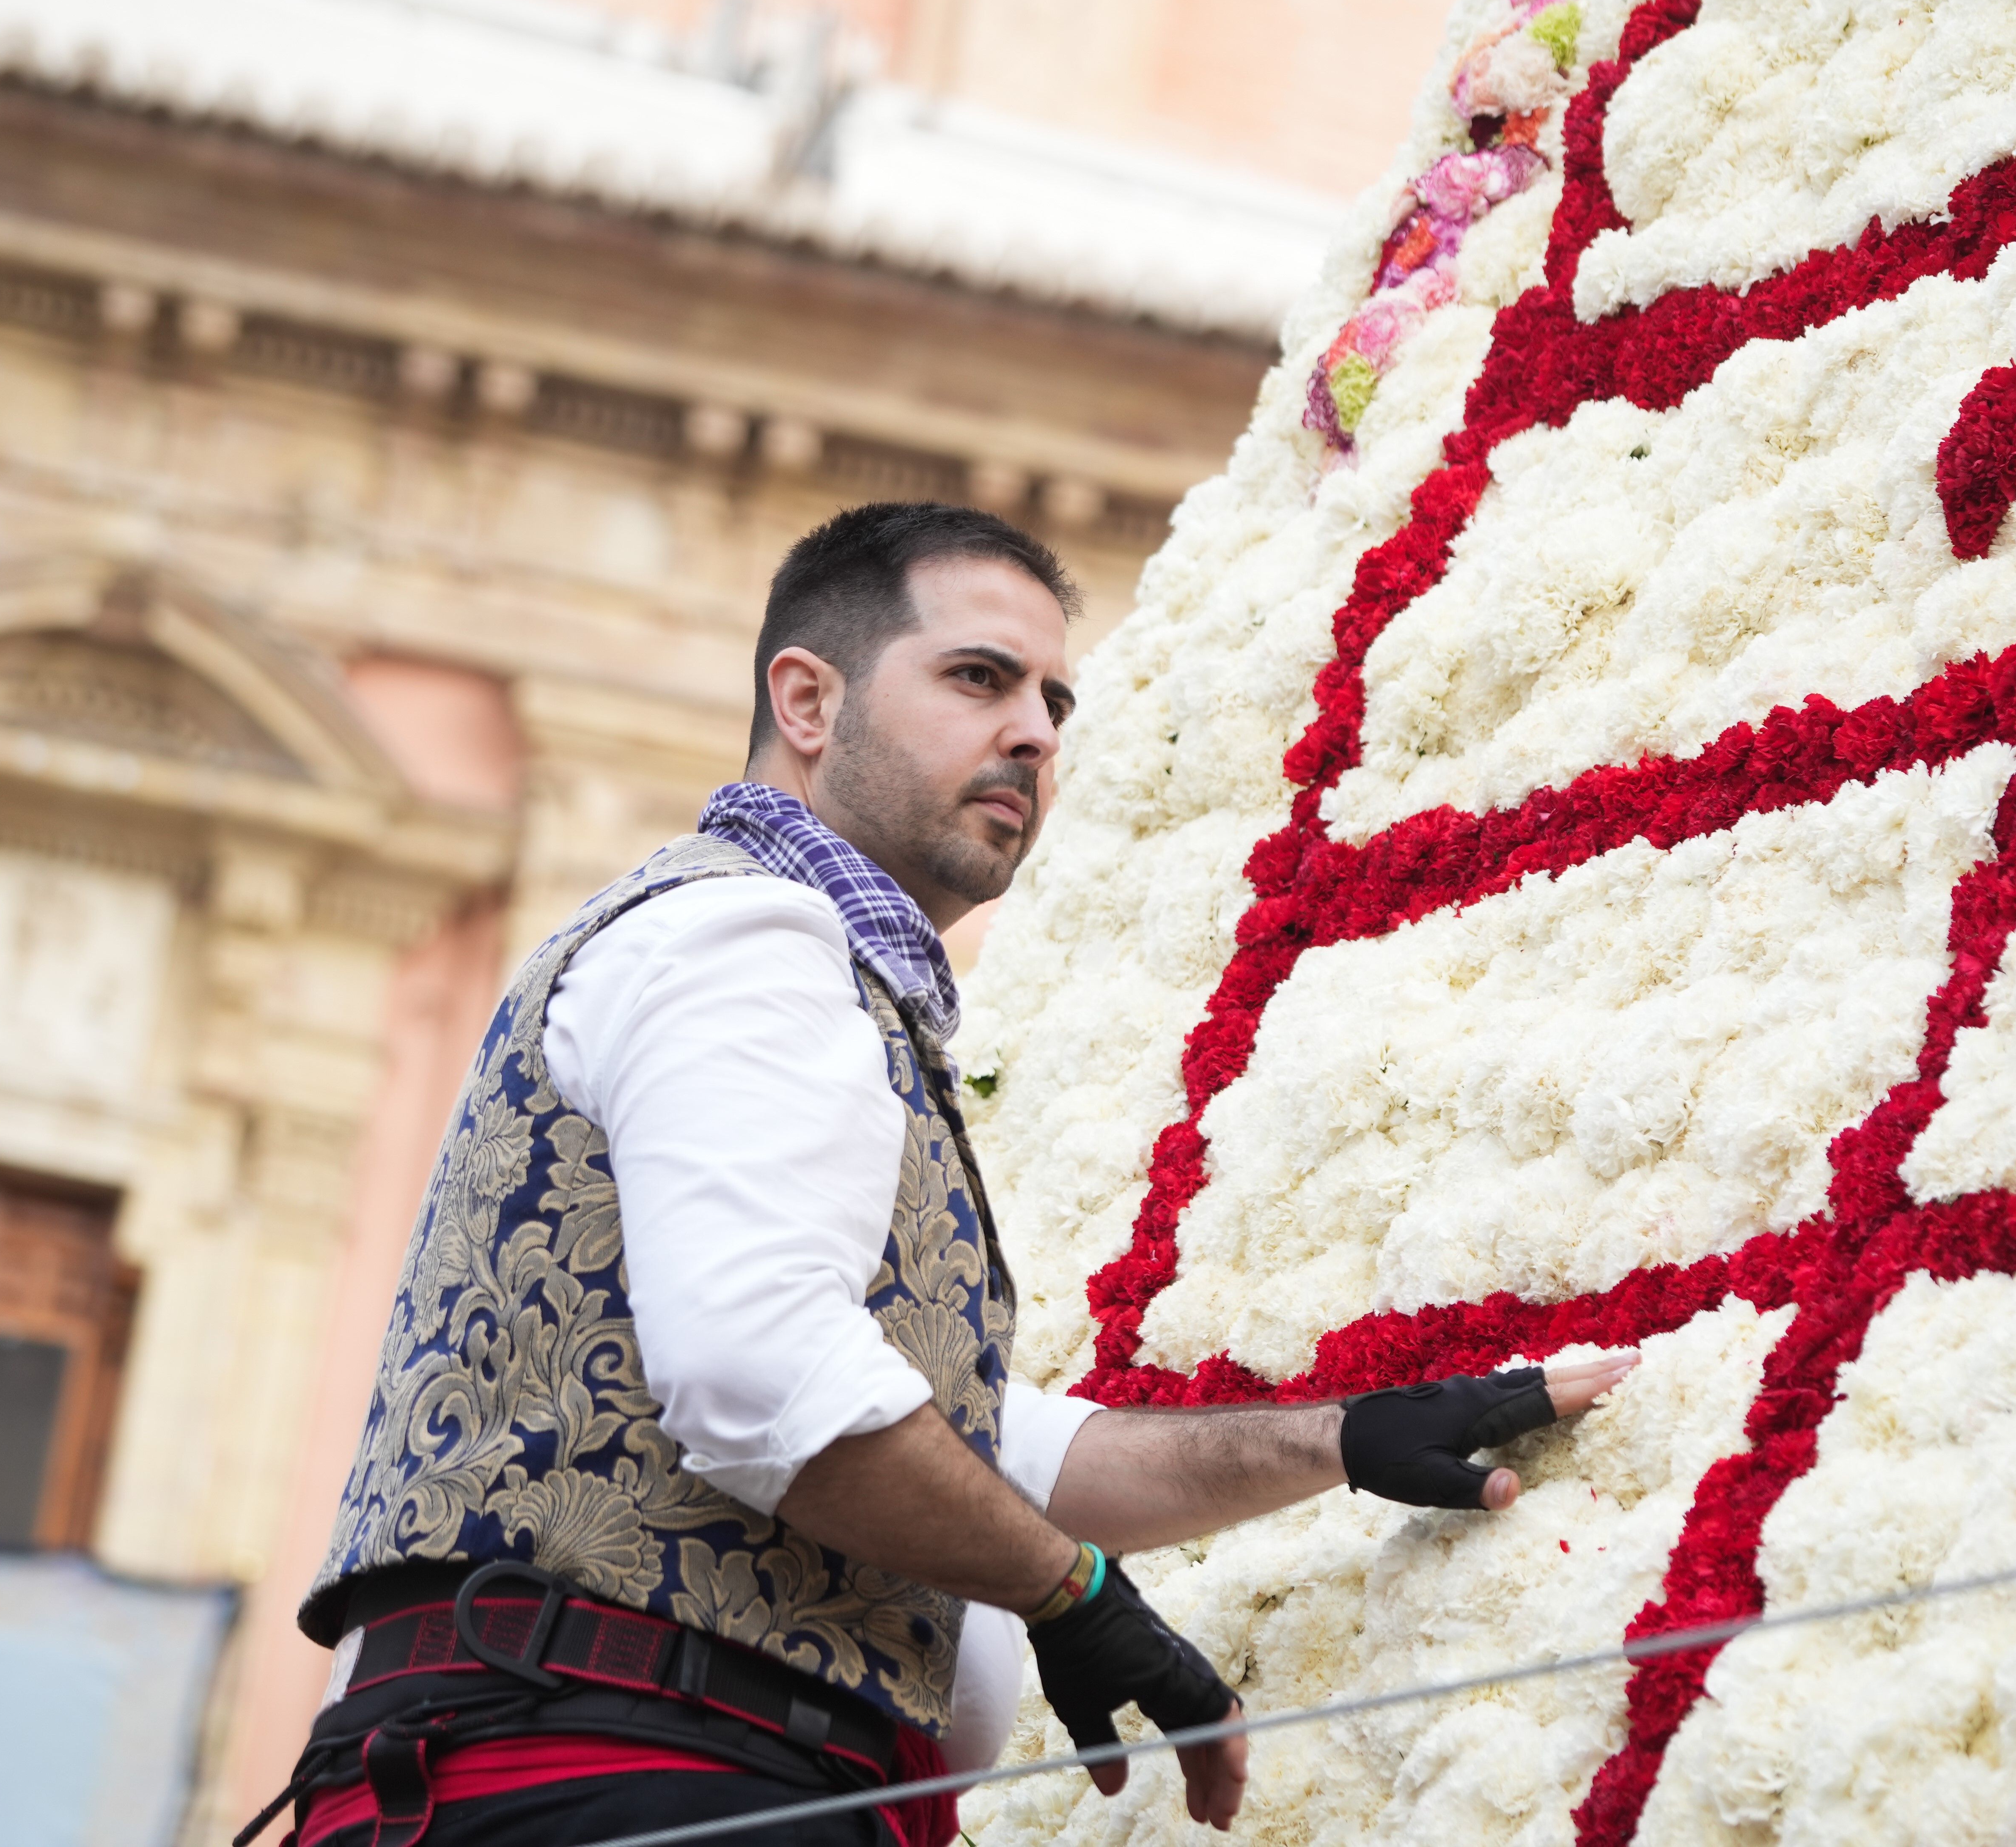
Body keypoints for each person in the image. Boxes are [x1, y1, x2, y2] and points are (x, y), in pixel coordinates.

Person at [246, 503, 1638, 1847]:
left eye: (1052, 704)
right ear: (807, 701)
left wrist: (1343, 1441)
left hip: (661, 1773)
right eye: (978, 678)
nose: (1032, 732)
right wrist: (1070, 1593)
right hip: (622, 1772)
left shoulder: (814, 980)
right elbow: (762, 1375)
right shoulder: (743, 939)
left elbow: (985, 1448)